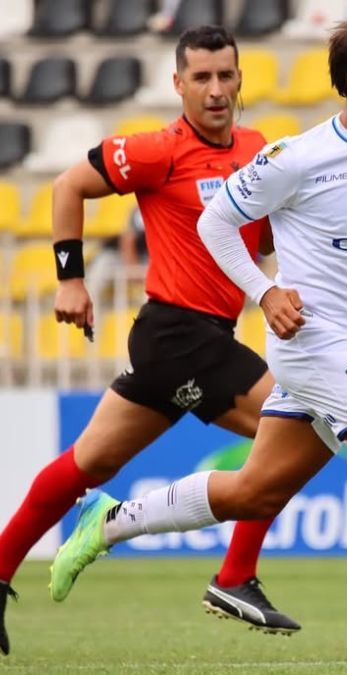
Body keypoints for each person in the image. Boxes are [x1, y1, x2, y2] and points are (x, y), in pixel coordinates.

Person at [50, 14, 347, 674]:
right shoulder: (297, 159)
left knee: (254, 491)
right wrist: (265, 291)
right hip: (315, 346)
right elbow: (218, 221)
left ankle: (109, 520)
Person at [0, 26, 300, 657]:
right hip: (175, 334)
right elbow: (66, 187)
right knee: (298, 426)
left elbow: (264, 241)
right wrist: (71, 281)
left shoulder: (256, 150)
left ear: (241, 78)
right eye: (201, 78)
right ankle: (234, 575)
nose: (216, 90)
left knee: (88, 465)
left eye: (226, 75)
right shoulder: (159, 151)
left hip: (206, 337)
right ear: (177, 85)